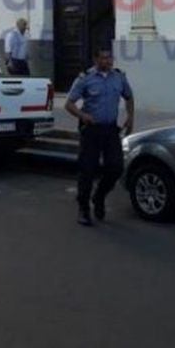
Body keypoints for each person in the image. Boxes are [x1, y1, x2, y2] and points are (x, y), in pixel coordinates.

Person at [64, 47, 134, 226]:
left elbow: (129, 97)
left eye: (110, 57)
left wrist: (130, 118)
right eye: (103, 58)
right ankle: (84, 209)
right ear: (95, 60)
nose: (108, 61)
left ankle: (99, 196)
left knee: (116, 167)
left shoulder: (119, 77)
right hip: (91, 130)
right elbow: (69, 104)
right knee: (87, 170)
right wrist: (82, 116)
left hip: (111, 130)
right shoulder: (85, 78)